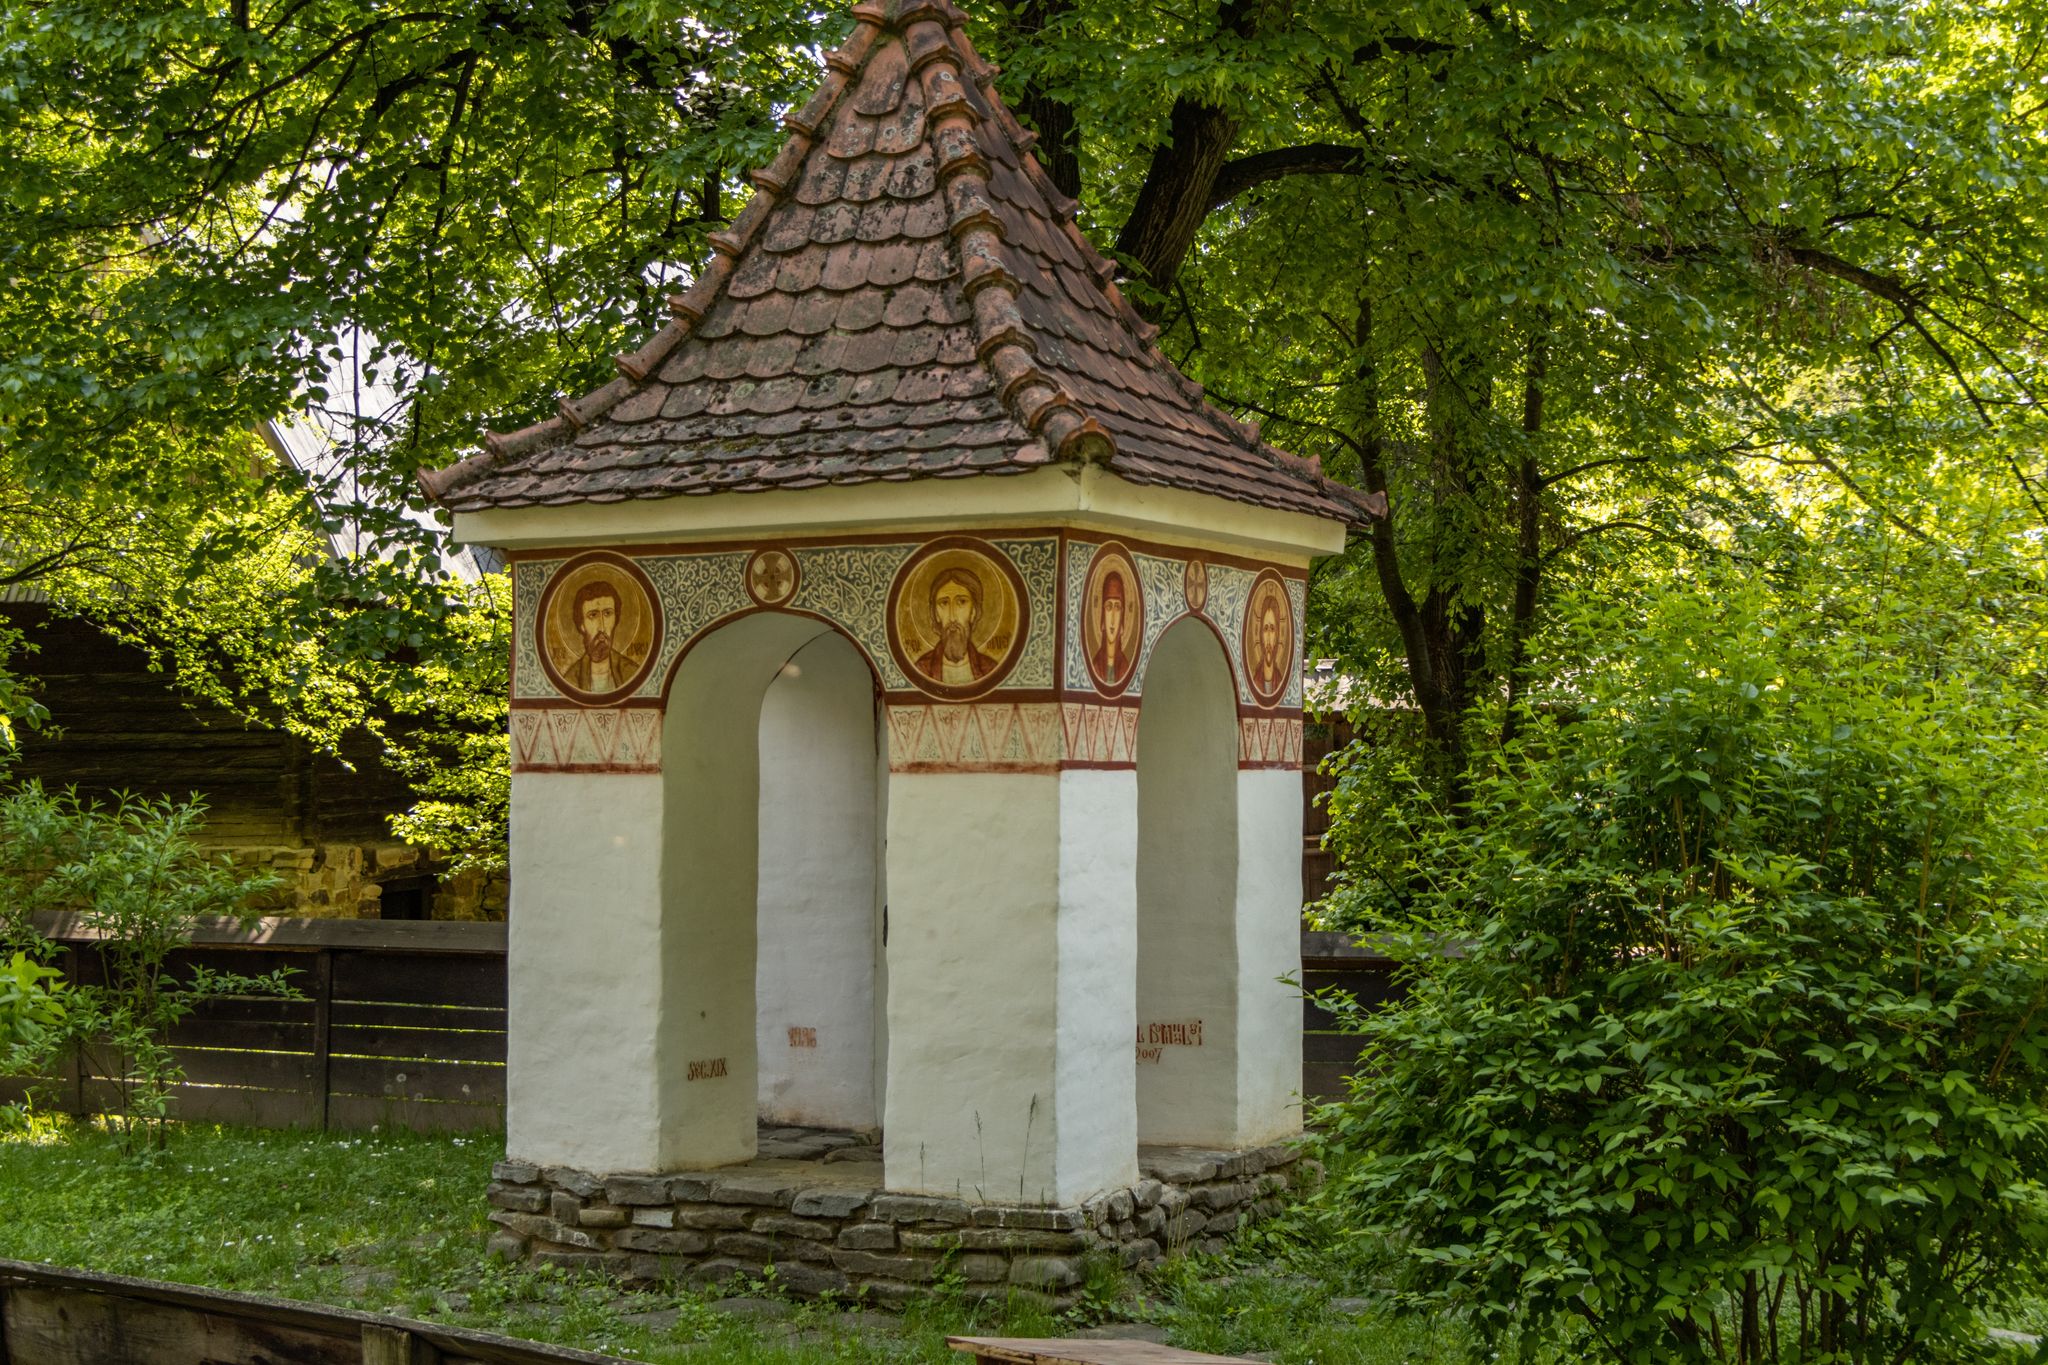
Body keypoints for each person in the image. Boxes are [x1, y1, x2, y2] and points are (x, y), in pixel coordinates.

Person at [914, 566, 999, 685]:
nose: (952, 617)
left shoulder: (990, 669)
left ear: (973, 611)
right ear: (936, 614)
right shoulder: (921, 670)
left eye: (962, 602)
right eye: (944, 603)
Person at [562, 578, 645, 692]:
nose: (602, 627)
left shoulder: (632, 672)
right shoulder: (571, 679)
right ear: (581, 624)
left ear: (616, 619)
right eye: (593, 615)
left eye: (608, 613)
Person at [1090, 571, 1132, 686]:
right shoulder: (1095, 667)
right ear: (1102, 617)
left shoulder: (1125, 669)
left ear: (1122, 617)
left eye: (1117, 607)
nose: (1113, 619)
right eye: (1109, 607)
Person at [1252, 596, 1287, 697]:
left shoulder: (1281, 682)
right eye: (1265, 629)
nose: (1268, 638)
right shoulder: (1255, 681)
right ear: (1260, 634)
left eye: (1272, 629)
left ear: (1277, 634)